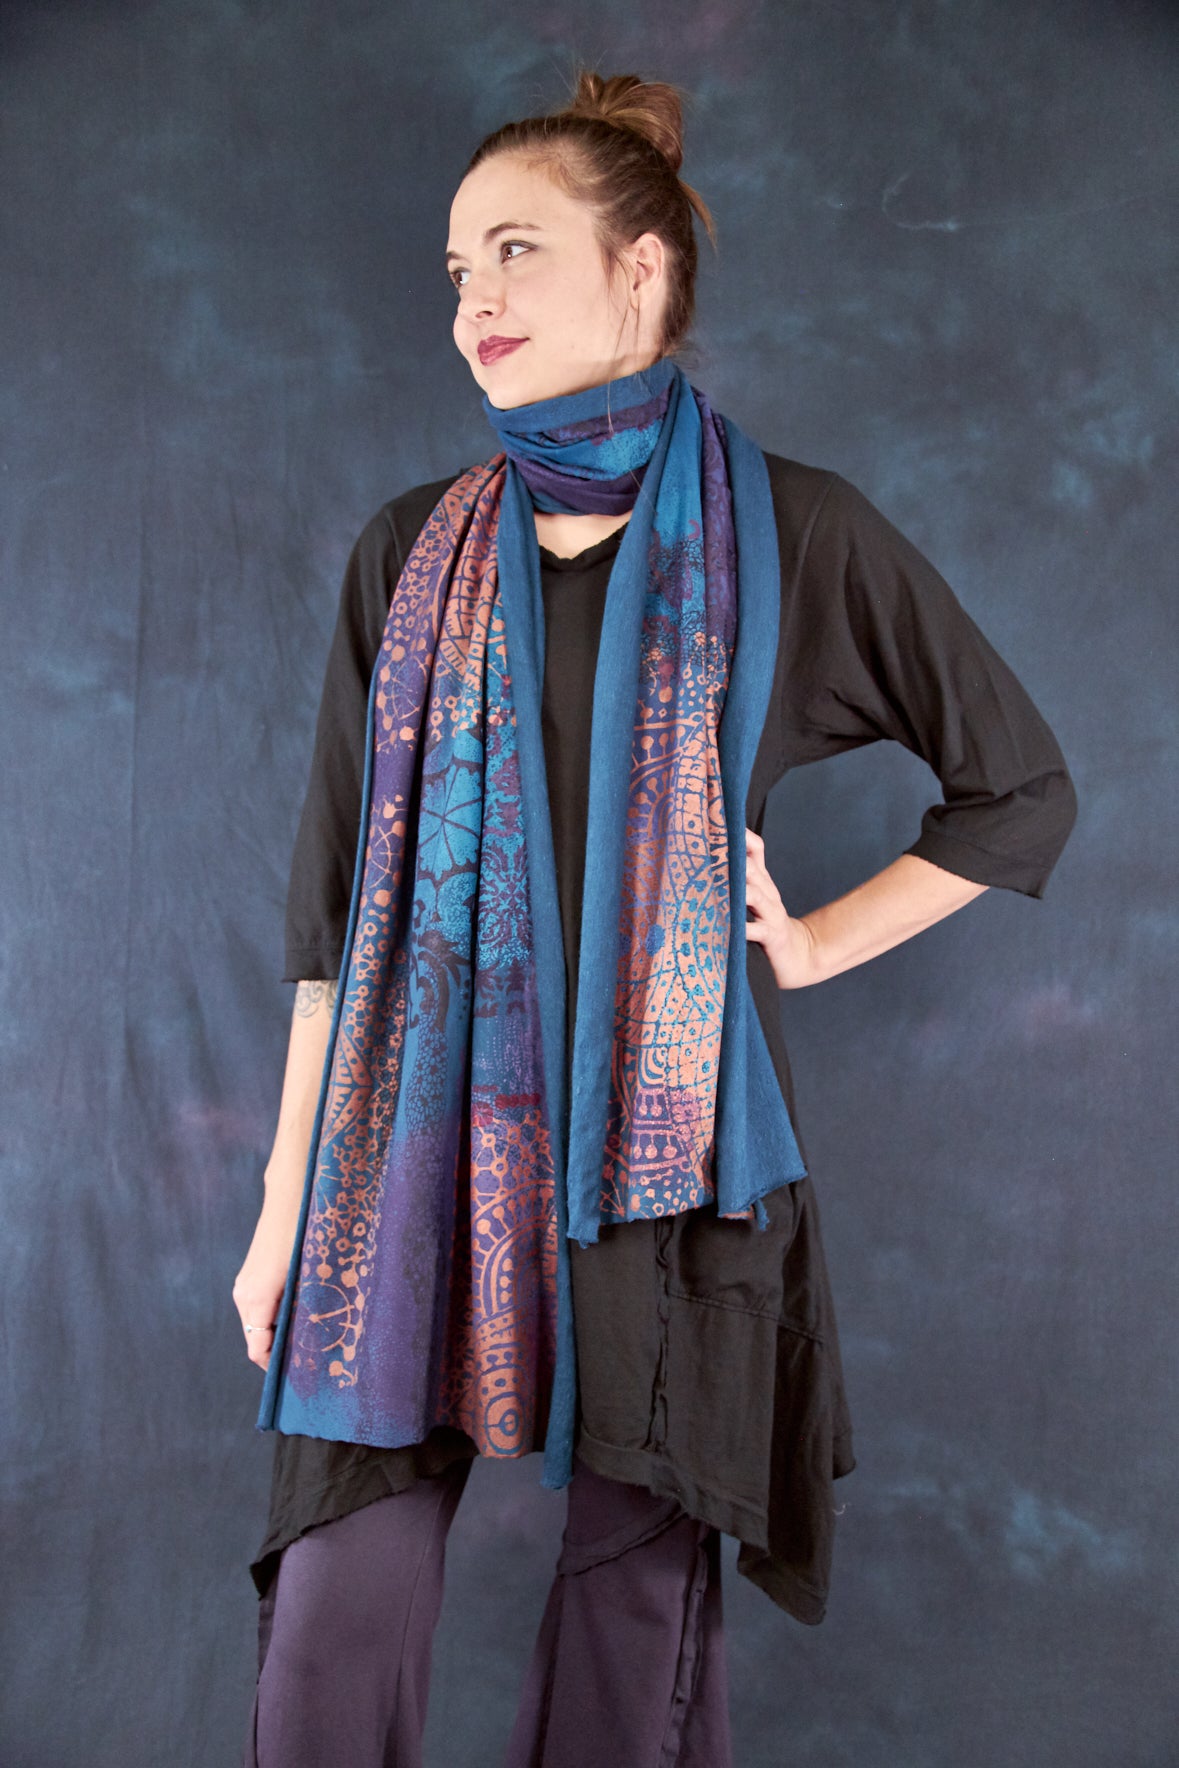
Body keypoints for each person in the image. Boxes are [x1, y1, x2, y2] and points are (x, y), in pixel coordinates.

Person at [232, 69, 1077, 1768]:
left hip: (671, 1162)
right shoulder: (407, 555)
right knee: (336, 1611)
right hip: (407, 1150)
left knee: (631, 1636)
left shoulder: (794, 534)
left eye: (515, 251)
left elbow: (1019, 790)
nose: (472, 301)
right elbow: (334, 919)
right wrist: (280, 1204)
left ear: (640, 271)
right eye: (456, 266)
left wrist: (815, 943)